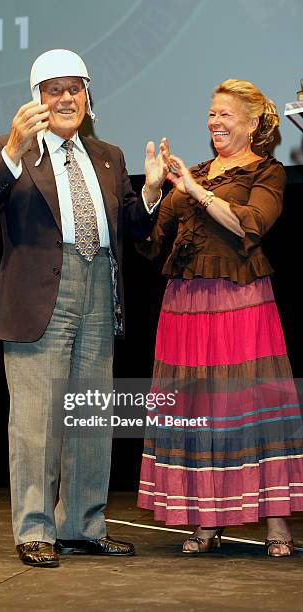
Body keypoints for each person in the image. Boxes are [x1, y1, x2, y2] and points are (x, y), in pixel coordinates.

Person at [0, 49, 169, 567]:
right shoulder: (11, 151)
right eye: (53, 90)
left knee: (91, 416)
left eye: (74, 88)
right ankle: (35, 529)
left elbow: (134, 233)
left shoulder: (108, 156)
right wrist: (12, 151)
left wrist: (148, 194)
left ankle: (81, 525)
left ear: (87, 96)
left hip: (100, 287)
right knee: (36, 421)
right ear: (35, 99)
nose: (66, 99)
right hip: (39, 295)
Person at [137, 79, 303, 557]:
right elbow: (149, 241)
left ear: (252, 124)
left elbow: (251, 223)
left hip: (239, 303)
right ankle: (206, 519)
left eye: (226, 114)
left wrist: (196, 190)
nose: (215, 122)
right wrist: (152, 190)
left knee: (250, 406)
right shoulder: (198, 173)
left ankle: (276, 523)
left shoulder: (265, 172)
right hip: (185, 307)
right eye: (212, 114)